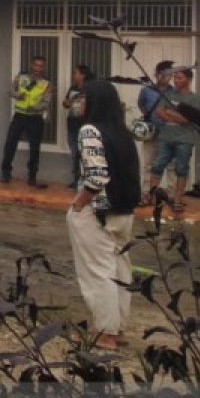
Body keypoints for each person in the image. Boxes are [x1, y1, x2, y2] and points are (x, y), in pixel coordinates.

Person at [68, 79, 141, 350]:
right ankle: (117, 327)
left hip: (96, 211)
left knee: (97, 272)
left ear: (94, 102)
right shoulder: (122, 133)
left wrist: (78, 204)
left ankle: (105, 333)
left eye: (84, 97)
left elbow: (97, 176)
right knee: (120, 269)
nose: (80, 102)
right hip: (123, 212)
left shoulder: (90, 131)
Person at [147, 67, 200, 214]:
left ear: (189, 79)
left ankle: (177, 200)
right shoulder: (167, 94)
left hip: (185, 139)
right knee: (157, 166)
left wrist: (170, 113)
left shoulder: (194, 99)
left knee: (181, 169)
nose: (176, 80)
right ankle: (152, 197)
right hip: (166, 137)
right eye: (175, 77)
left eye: (180, 78)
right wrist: (177, 116)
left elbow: (190, 120)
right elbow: (159, 112)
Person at [0, 56, 54, 187]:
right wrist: (18, 95)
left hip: (35, 118)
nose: (38, 68)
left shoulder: (47, 83)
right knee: (10, 144)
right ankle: (6, 173)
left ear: (44, 67)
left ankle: (32, 176)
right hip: (20, 115)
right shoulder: (21, 77)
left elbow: (47, 101)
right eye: (36, 65)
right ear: (31, 65)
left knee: (34, 148)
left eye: (41, 66)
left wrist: (35, 107)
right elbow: (11, 91)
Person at [136, 60, 175, 198]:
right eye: (164, 74)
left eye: (170, 75)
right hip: (151, 132)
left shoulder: (174, 91)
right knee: (148, 164)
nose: (167, 77)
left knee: (171, 164)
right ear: (157, 74)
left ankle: (171, 194)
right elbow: (141, 104)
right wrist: (148, 114)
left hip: (169, 132)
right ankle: (147, 193)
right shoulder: (146, 90)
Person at [63, 64, 95, 189]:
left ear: (83, 75)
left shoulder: (90, 89)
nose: (73, 75)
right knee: (75, 152)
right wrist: (67, 102)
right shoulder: (73, 88)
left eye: (75, 73)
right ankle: (76, 179)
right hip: (72, 124)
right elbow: (65, 103)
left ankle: (86, 181)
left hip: (84, 125)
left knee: (84, 154)